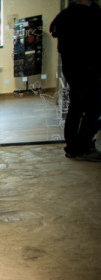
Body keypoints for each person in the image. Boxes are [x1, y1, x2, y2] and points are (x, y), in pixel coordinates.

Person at [50, 0, 101, 162]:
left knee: (77, 108)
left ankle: (74, 147)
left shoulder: (65, 16)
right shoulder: (87, 16)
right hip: (86, 70)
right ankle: (82, 147)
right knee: (93, 108)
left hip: (73, 70)